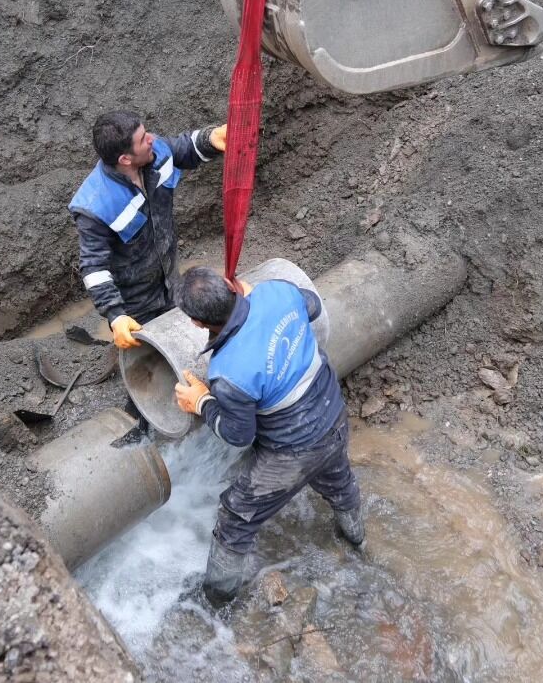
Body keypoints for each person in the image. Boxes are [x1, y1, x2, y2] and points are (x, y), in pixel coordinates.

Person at [173, 267, 364, 606]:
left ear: (198, 323)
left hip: (294, 450)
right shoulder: (278, 291)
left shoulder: (228, 372)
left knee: (235, 517)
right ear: (230, 285)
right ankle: (357, 539)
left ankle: (216, 600)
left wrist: (201, 402)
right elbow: (312, 305)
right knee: (339, 481)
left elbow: (238, 435)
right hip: (332, 412)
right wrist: (262, 303)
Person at [70, 110, 226, 349]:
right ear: (125, 159)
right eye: (143, 139)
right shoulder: (96, 205)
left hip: (169, 278)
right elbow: (94, 267)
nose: (151, 138)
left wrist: (211, 138)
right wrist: (116, 315)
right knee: (151, 354)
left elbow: (182, 148)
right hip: (136, 300)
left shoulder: (154, 154)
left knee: (187, 340)